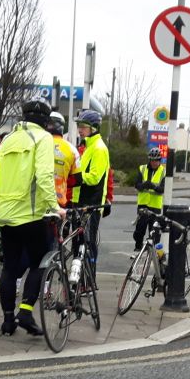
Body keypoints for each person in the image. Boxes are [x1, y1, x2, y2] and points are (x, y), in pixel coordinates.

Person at [0, 97, 62, 336]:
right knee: (39, 263)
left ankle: (7, 321)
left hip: (5, 213)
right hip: (31, 215)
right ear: (45, 120)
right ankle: (25, 311)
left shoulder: (7, 140)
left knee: (10, 268)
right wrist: (54, 207)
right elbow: (44, 176)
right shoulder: (43, 138)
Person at [72, 109, 111, 270]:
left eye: (83, 126)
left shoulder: (99, 148)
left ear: (93, 128)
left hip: (92, 203)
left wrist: (77, 177)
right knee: (77, 242)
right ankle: (77, 279)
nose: (80, 129)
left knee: (87, 242)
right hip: (80, 201)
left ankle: (88, 281)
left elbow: (95, 177)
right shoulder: (88, 146)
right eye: (79, 126)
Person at [133, 147, 167, 251]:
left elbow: (163, 189)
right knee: (140, 229)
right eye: (152, 160)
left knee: (154, 230)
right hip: (143, 204)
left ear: (159, 160)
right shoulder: (142, 168)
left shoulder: (163, 172)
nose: (154, 162)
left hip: (155, 206)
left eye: (156, 160)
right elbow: (136, 185)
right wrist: (143, 185)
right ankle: (138, 248)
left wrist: (154, 187)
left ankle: (153, 252)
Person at [48, 111, 80, 208]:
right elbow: (78, 179)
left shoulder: (36, 144)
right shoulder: (72, 149)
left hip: (36, 201)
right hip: (59, 199)